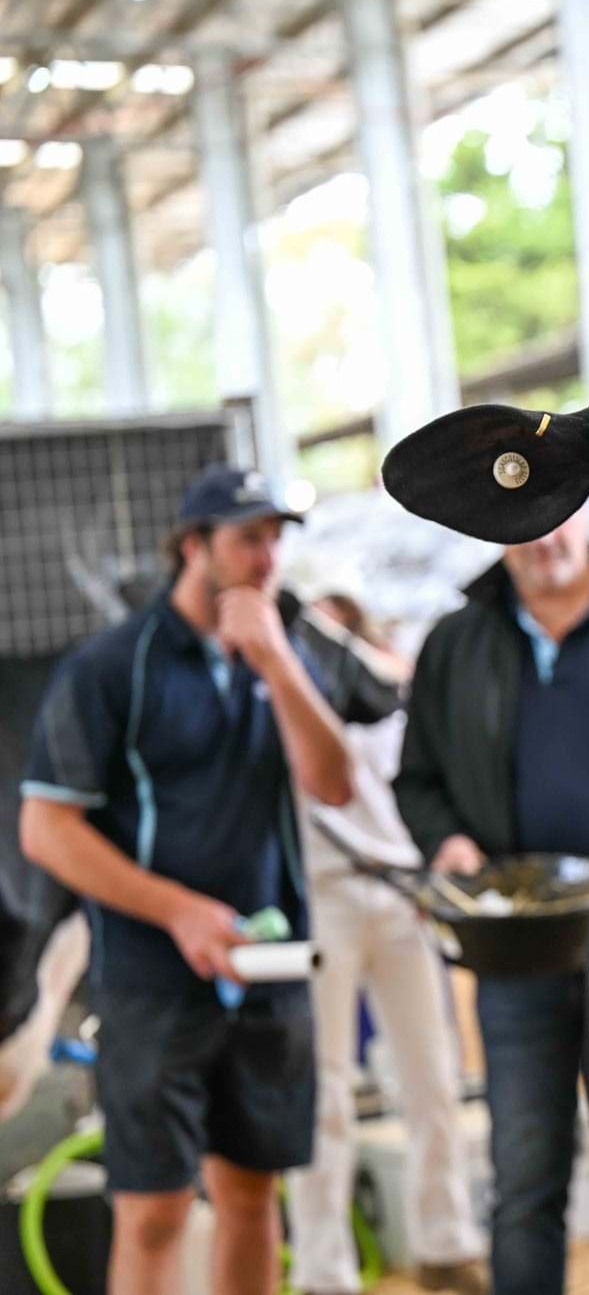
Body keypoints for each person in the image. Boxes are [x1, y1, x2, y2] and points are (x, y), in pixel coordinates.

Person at [17, 464, 353, 1295]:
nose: (266, 558)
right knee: (155, 1210)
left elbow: (334, 782)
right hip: (149, 984)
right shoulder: (110, 667)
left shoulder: (284, 650)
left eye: (276, 540)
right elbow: (44, 829)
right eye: (247, 539)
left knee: (252, 1194)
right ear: (193, 546)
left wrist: (276, 662)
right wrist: (179, 912)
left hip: (268, 971)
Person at [394, 509, 589, 1295]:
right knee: (526, 1178)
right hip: (517, 948)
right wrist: (447, 842)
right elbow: (417, 777)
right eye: (523, 525)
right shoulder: (455, 642)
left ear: (586, 515)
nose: (543, 541)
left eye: (557, 519)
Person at [285, 571, 486, 1295]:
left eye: (338, 627)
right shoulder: (286, 692)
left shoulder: (392, 688)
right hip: (321, 893)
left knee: (431, 1074)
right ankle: (324, 1269)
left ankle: (446, 1241)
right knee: (323, 1090)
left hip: (401, 891)